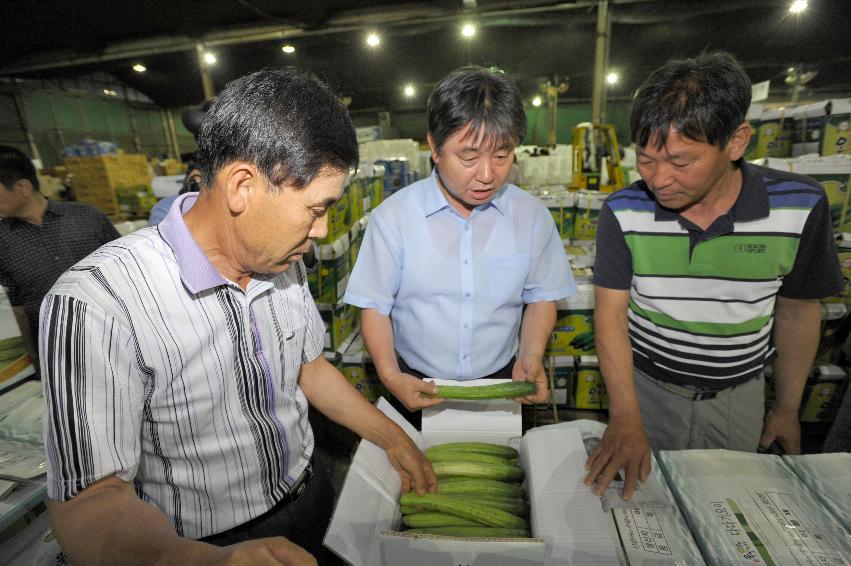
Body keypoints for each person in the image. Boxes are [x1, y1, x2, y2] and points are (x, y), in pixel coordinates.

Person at [40, 68, 436, 566]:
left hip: (310, 499)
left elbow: (309, 369)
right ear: (242, 186)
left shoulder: (279, 259)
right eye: (316, 209)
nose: (323, 229)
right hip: (198, 546)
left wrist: (391, 435)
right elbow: (89, 504)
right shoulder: (98, 303)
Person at [585, 52, 842, 500]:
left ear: (736, 141)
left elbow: (799, 312)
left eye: (681, 162)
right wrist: (625, 415)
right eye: (645, 160)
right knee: (642, 506)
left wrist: (786, 406)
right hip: (645, 390)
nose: (660, 179)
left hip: (738, 396)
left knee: (727, 504)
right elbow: (610, 319)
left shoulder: (799, 206)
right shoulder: (625, 210)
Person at [345, 66, 575, 427]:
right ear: (435, 147)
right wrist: (391, 376)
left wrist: (530, 354)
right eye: (469, 157)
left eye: (502, 155)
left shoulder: (531, 217)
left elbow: (541, 296)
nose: (487, 174)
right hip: (415, 383)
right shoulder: (394, 218)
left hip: (503, 381)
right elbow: (374, 307)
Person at [0, 145, 119, 367]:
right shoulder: (3, 241)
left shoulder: (88, 218)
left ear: (22, 187)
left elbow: (128, 273)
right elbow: (16, 306)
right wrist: (34, 360)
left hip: (115, 340)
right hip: (57, 355)